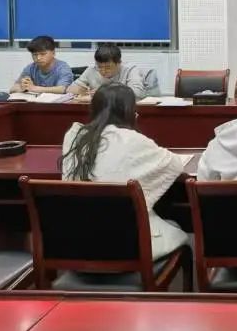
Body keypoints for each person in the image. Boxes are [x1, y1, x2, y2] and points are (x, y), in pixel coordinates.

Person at [60, 84, 189, 259]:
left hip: (78, 244)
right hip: (128, 246)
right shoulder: (131, 139)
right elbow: (174, 164)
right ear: (129, 111)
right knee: (176, 228)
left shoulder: (75, 136)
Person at [67, 44, 148, 99]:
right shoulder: (92, 70)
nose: (103, 71)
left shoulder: (130, 70)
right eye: (99, 67)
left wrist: (105, 92)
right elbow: (69, 89)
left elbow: (137, 93)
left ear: (119, 63)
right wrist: (81, 91)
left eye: (108, 67)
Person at [9, 35, 74, 94]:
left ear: (53, 53)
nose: (38, 58)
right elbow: (12, 89)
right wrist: (23, 87)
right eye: (35, 55)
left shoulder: (62, 68)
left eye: (43, 54)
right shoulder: (31, 68)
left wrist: (34, 88)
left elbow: (63, 89)